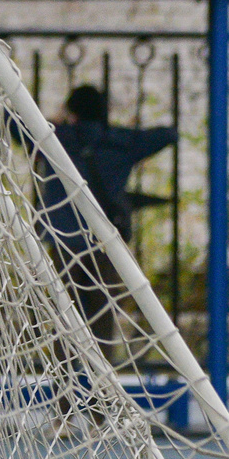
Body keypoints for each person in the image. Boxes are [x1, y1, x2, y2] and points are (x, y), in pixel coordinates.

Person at [33, 83, 175, 357]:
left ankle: (66, 392)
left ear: (72, 111)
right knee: (102, 321)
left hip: (63, 243)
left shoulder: (55, 138)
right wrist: (116, 131)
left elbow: (13, 122)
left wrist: (56, 122)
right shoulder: (119, 141)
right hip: (104, 243)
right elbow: (168, 134)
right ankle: (102, 393)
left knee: (64, 322)